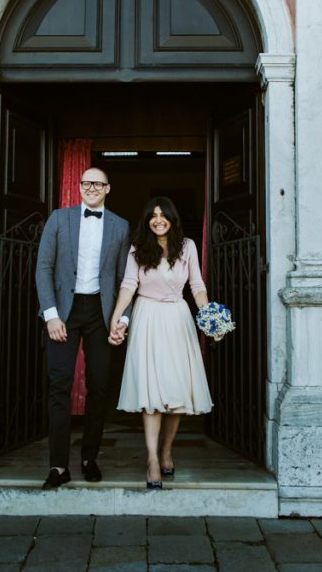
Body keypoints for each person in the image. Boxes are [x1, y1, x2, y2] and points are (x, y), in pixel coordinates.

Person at [35, 167, 131, 489]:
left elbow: (124, 280)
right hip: (65, 310)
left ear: (108, 188)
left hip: (100, 314)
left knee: (99, 386)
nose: (91, 187)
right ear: (79, 187)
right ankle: (58, 466)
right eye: (86, 182)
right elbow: (44, 267)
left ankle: (90, 458)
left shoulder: (120, 226)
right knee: (59, 385)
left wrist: (122, 318)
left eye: (97, 183)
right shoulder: (59, 219)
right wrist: (50, 315)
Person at [108, 196, 213, 489]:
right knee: (151, 393)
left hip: (178, 318)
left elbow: (197, 285)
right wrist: (117, 318)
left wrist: (208, 316)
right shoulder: (137, 248)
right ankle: (153, 458)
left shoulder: (188, 246)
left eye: (163, 214)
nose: (158, 219)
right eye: (152, 215)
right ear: (147, 220)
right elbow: (128, 286)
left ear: (172, 218)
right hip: (147, 318)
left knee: (176, 391)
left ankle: (167, 448)